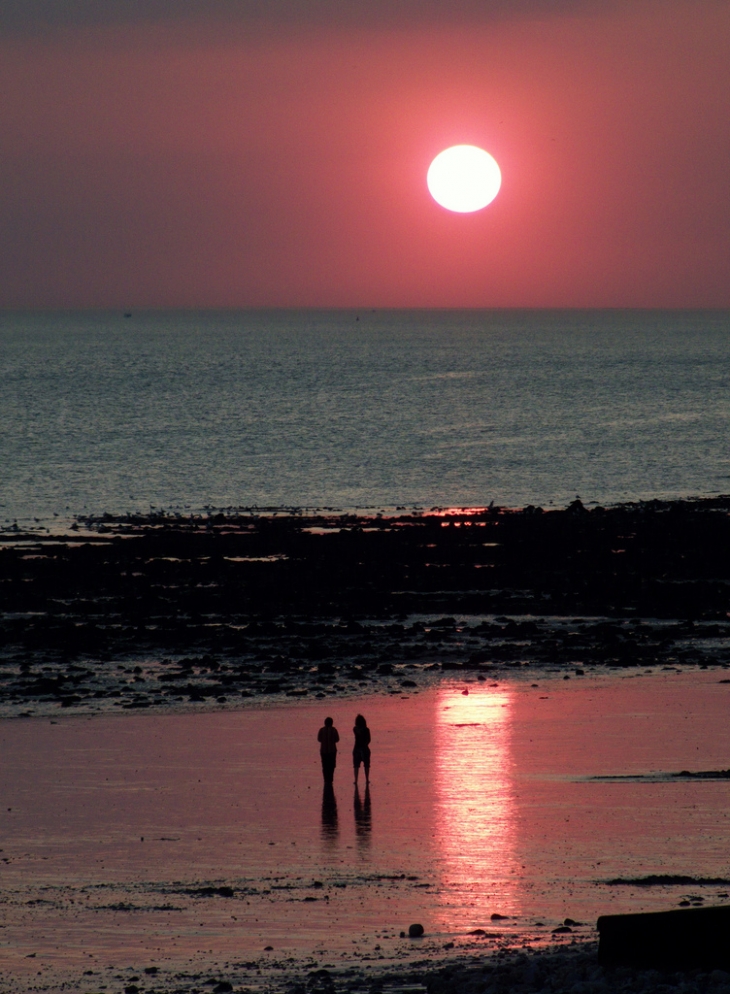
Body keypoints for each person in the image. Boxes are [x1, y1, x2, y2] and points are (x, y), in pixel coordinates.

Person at [317, 716, 339, 785]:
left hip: (323, 750)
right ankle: (330, 779)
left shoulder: (321, 730)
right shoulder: (334, 730)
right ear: (332, 723)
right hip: (332, 751)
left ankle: (326, 779)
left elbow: (319, 739)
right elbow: (337, 739)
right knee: (332, 765)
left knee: (324, 765)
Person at [352, 713, 371, 786]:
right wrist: (365, 744)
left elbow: (358, 732)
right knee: (366, 765)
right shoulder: (366, 729)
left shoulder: (355, 729)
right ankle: (367, 779)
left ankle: (356, 780)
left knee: (356, 765)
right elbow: (369, 740)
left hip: (357, 748)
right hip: (365, 748)